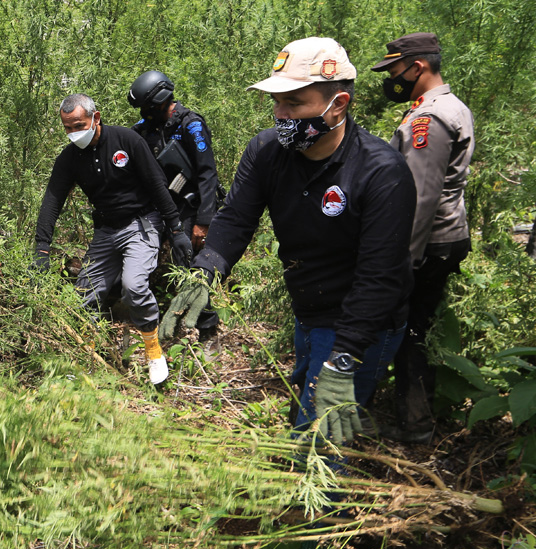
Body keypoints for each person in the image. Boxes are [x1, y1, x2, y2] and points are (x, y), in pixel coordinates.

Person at [159, 37, 417, 444]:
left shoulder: (380, 172)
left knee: (321, 439)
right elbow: (236, 218)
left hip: (362, 319)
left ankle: (324, 504)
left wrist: (345, 356)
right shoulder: (267, 151)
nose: (281, 115)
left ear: (339, 104)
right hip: (309, 309)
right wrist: (206, 270)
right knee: (306, 407)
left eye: (294, 104)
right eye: (277, 103)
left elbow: (380, 277)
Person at [33, 93, 193, 385]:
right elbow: (51, 201)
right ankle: (87, 360)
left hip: (141, 222)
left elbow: (157, 186)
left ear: (96, 117)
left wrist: (177, 229)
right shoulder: (69, 159)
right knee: (83, 296)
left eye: (78, 125)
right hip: (106, 231)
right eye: (67, 128)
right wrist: (41, 247)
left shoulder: (126, 141)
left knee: (133, 286)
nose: (73, 133)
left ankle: (154, 352)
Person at [371, 33, 475, 443]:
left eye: (396, 70)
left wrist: (403, 260)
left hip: (428, 241)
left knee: (409, 331)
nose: (392, 79)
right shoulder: (448, 106)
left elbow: (421, 195)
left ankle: (414, 425)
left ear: (417, 67)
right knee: (418, 327)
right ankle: (413, 417)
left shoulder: (428, 119)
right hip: (443, 236)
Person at [128, 70, 224, 332]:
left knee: (189, 263)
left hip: (192, 205)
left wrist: (203, 222)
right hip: (161, 207)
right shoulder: (144, 130)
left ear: (160, 101)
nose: (143, 114)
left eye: (147, 108)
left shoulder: (190, 124)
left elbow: (207, 174)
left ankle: (205, 327)